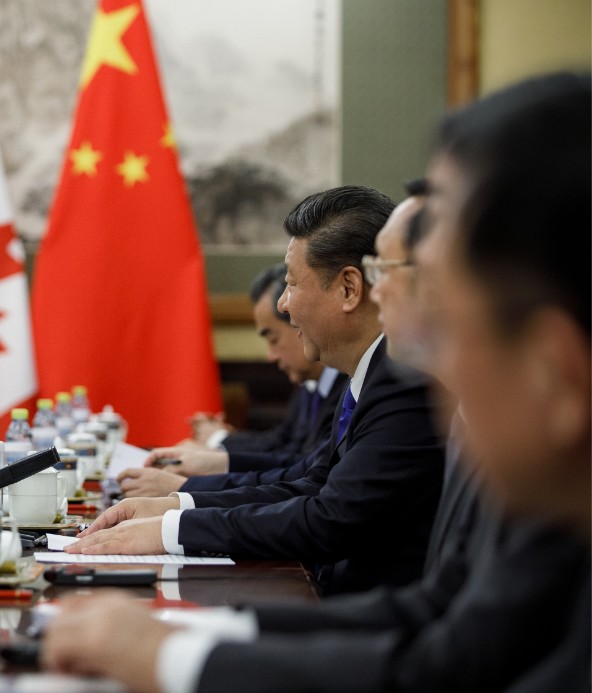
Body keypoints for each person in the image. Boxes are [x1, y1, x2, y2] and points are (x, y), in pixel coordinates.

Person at [41, 72, 591, 692]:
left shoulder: (414, 391)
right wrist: (185, 635)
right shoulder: (555, 510)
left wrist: (174, 656)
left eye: (444, 303)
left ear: (557, 375)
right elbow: (441, 620)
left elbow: (440, 663)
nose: (440, 371)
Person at [71, 185, 446, 595]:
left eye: (291, 284)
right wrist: (175, 506)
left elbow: (329, 520)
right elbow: (308, 482)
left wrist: (169, 530)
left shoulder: (403, 381)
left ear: (348, 289)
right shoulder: (371, 374)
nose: (284, 304)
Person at [119, 265, 347, 498]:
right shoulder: (310, 382)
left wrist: (197, 476)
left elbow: (305, 472)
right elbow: (284, 445)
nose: (270, 355)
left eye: (273, 338)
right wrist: (215, 455)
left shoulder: (346, 384)